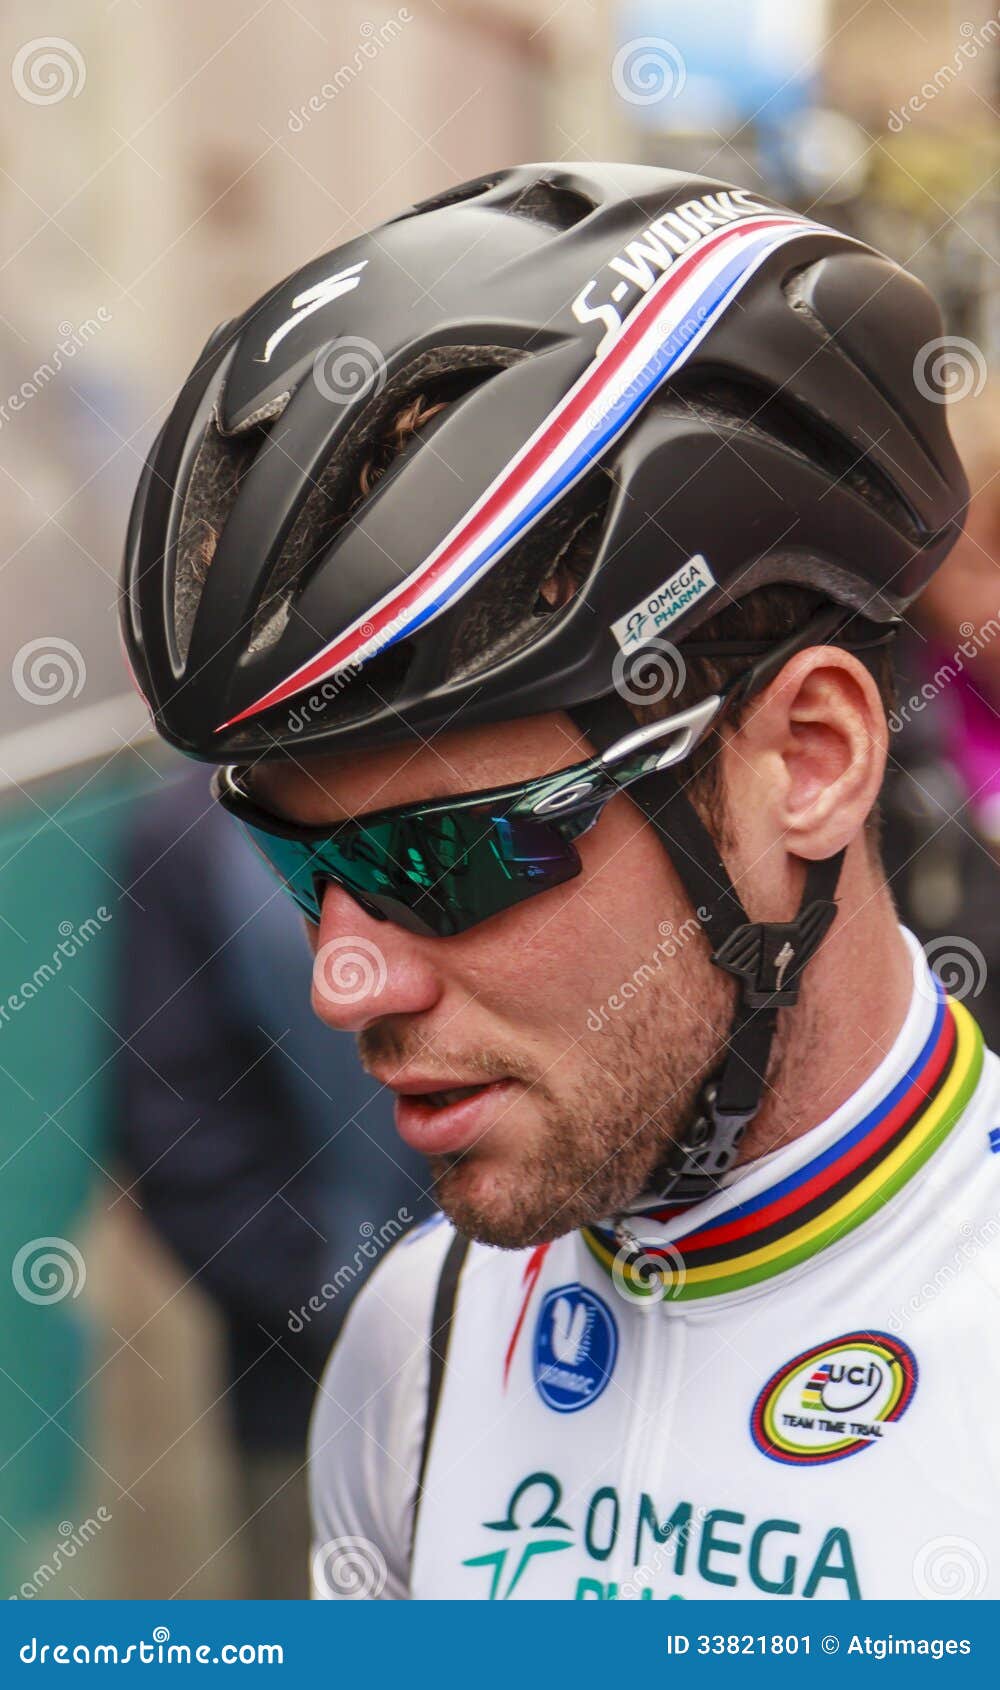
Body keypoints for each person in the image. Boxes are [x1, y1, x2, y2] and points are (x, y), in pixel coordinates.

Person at [120, 163, 1000, 1602]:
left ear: (811, 760)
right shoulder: (416, 1345)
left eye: (448, 854)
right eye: (296, 856)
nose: (349, 978)